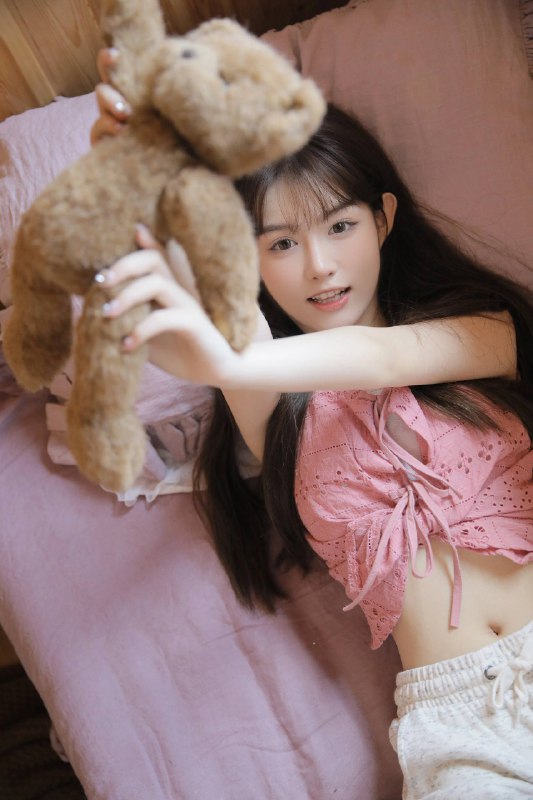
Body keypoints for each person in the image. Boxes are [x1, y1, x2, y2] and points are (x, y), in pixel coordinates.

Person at [92, 61, 533, 798]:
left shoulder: (482, 330)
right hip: (460, 724)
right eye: (281, 244)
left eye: (340, 226)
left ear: (383, 219)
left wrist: (229, 359)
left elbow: (386, 356)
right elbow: (203, 303)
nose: (320, 267)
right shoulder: (275, 411)